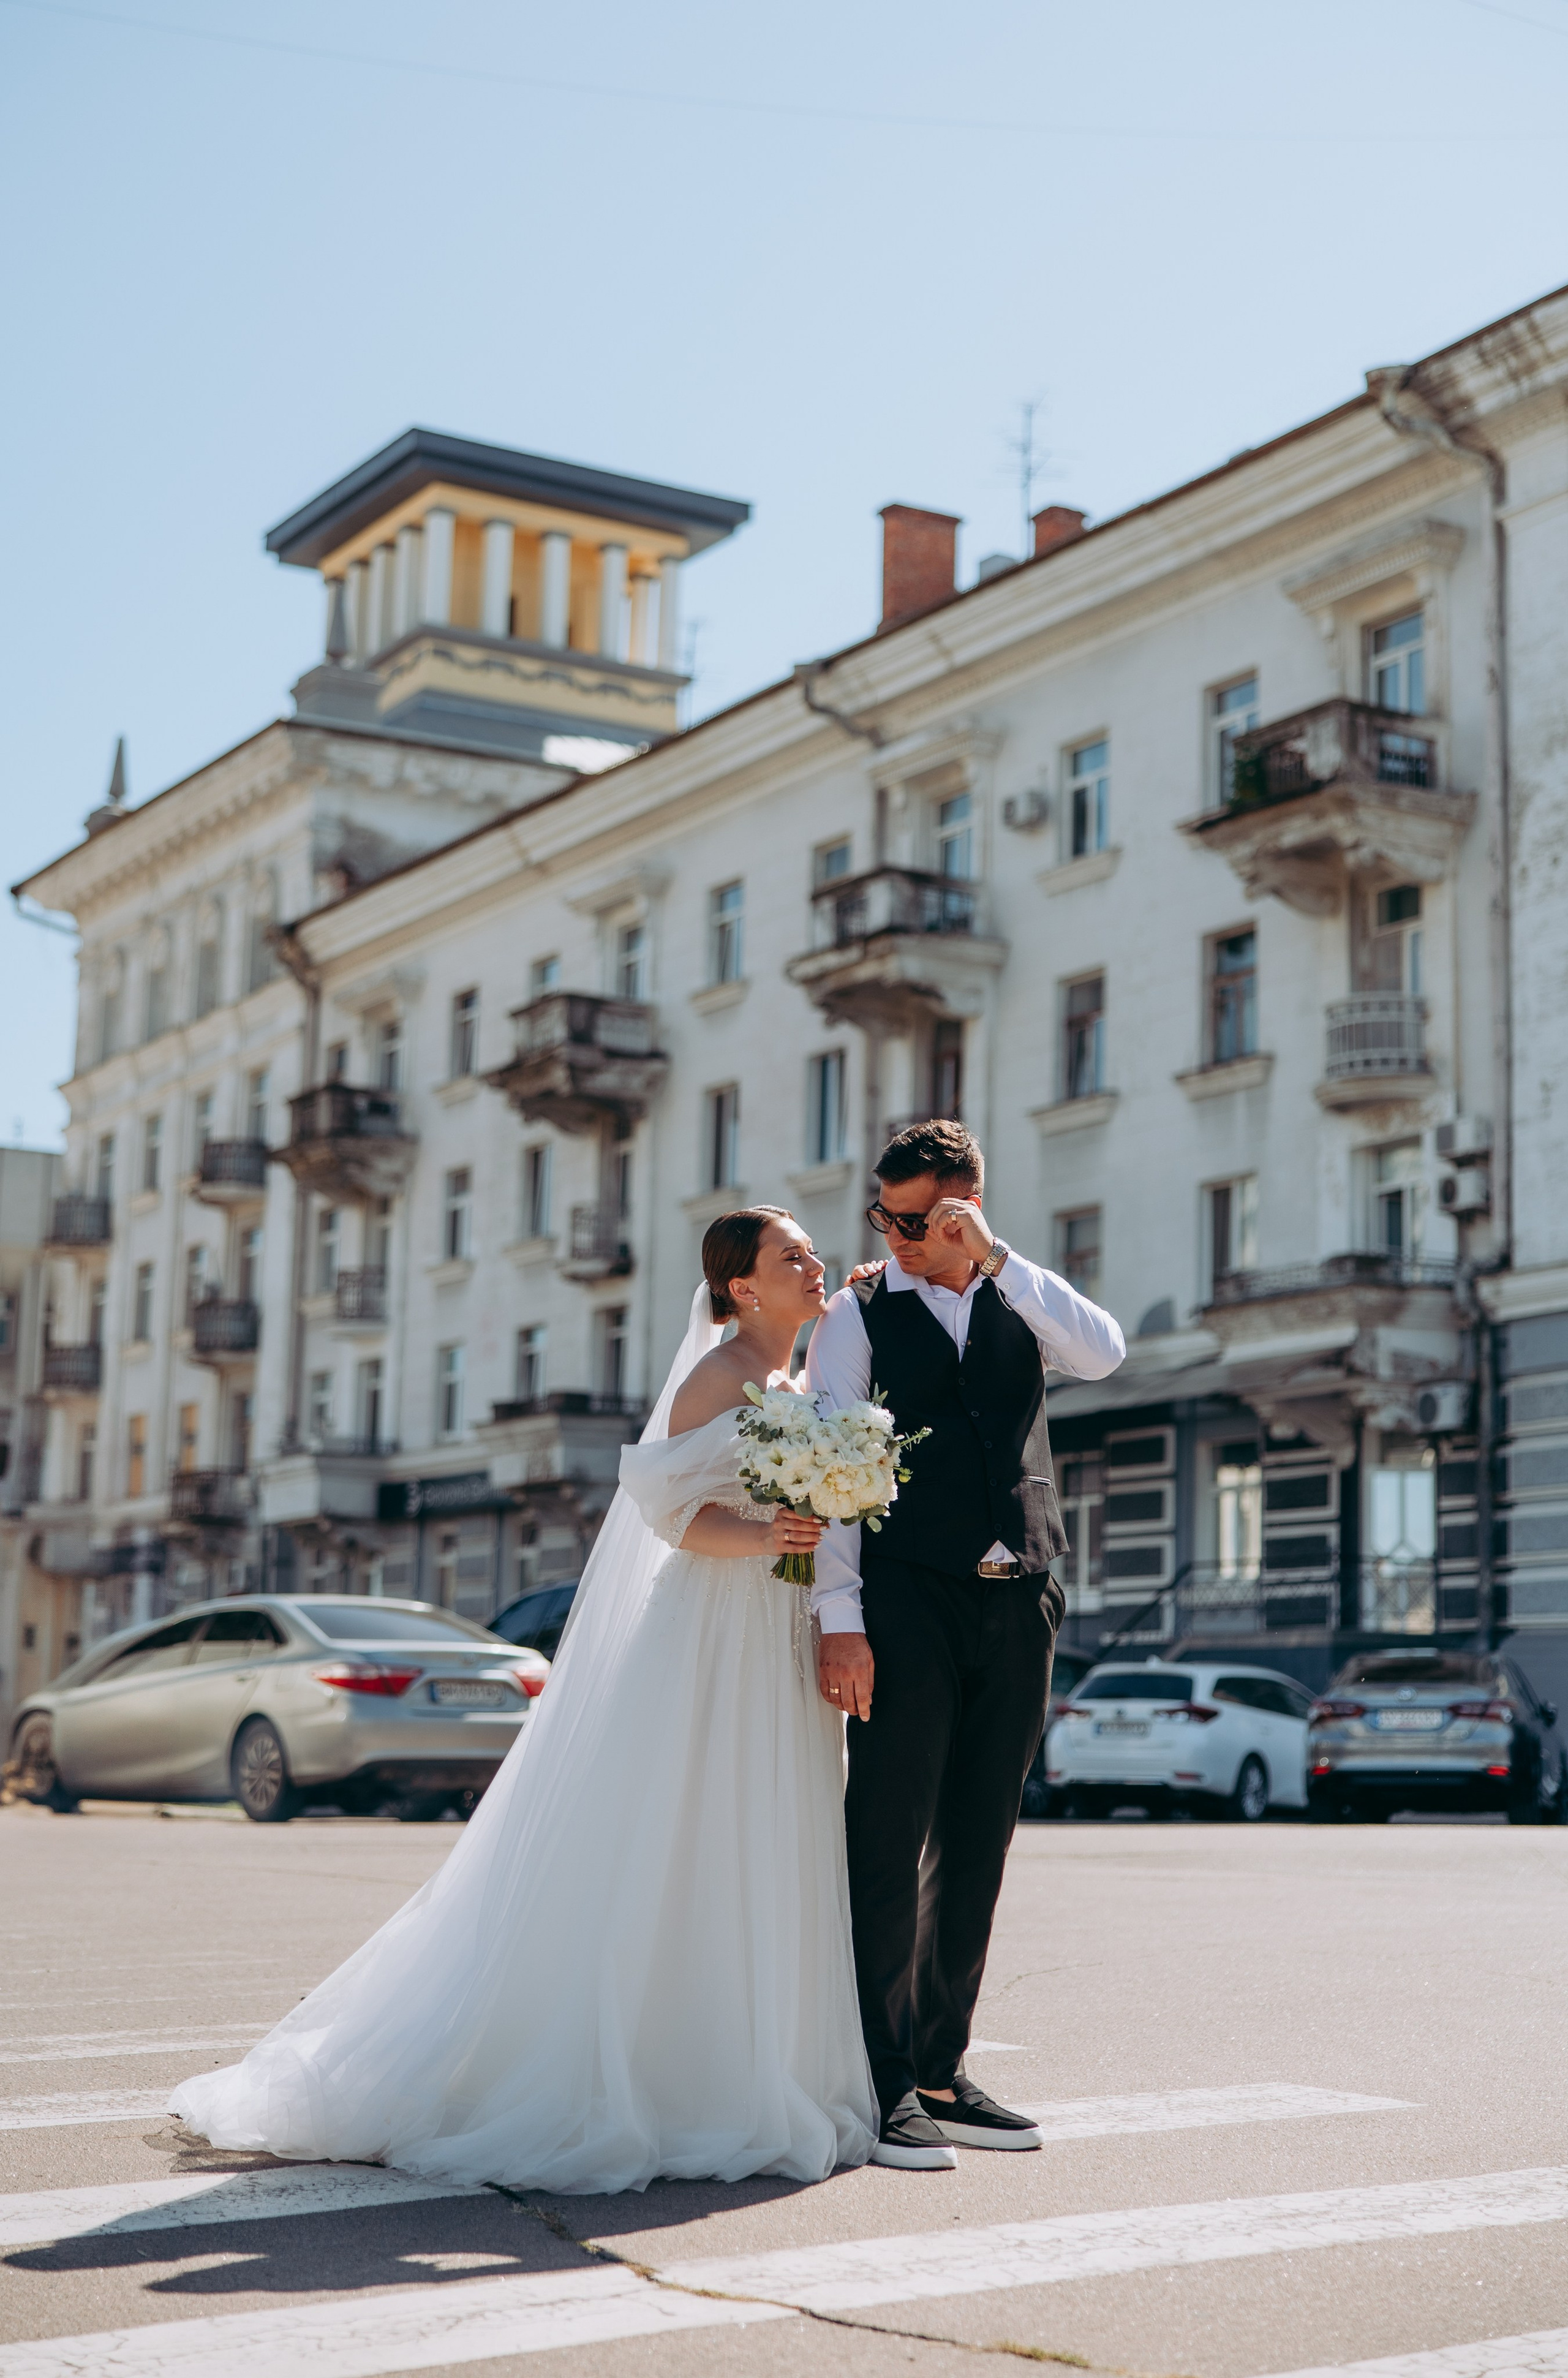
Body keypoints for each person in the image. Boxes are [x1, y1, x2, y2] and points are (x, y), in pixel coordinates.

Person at [170, 1208, 878, 2194]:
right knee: (687, 1827)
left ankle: (762, 2054)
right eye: (789, 1255)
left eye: (812, 1250)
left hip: (777, 1638)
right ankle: (674, 2073)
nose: (813, 1263)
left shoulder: (802, 1382)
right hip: (714, 1631)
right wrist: (772, 1537)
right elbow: (670, 1513)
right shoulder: (717, 1375)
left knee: (767, 1827)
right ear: (744, 1288)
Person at [807, 1119, 1125, 2172]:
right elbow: (838, 1480)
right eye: (884, 1217)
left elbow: (1106, 1352)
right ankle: (884, 2076)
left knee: (980, 1836)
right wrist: (838, 1622)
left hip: (1020, 1594)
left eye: (919, 1219)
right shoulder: (853, 1319)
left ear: (964, 1207)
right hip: (907, 1597)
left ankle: (943, 2067)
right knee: (887, 1833)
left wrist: (995, 1259)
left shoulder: (1019, 1298)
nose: (897, 1237)